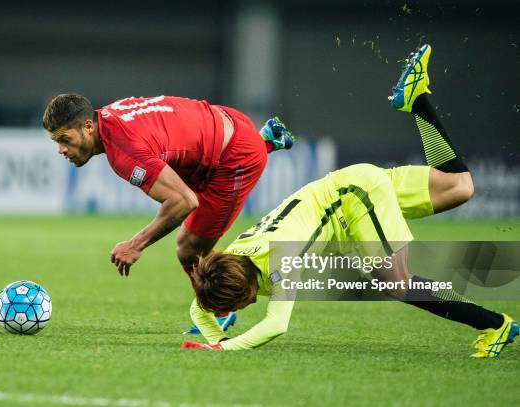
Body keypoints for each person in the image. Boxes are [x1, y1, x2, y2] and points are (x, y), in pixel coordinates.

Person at [182, 44, 519, 357]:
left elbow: (276, 325)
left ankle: (496, 326)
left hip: (355, 199)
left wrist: (222, 349)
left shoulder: (282, 259)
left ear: (246, 292)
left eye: (238, 306)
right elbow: (198, 306)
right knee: (459, 187)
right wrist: (218, 337)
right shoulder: (229, 260)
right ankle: (417, 100)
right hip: (346, 187)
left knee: (397, 284)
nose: (241, 309)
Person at [42, 93, 294, 331]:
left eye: (65, 140)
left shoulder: (124, 151)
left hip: (234, 158)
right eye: (57, 142)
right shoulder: (109, 116)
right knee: (184, 193)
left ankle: (222, 309)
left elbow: (184, 202)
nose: (61, 150)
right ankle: (265, 141)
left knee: (189, 248)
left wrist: (135, 244)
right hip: (223, 123)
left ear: (88, 127)